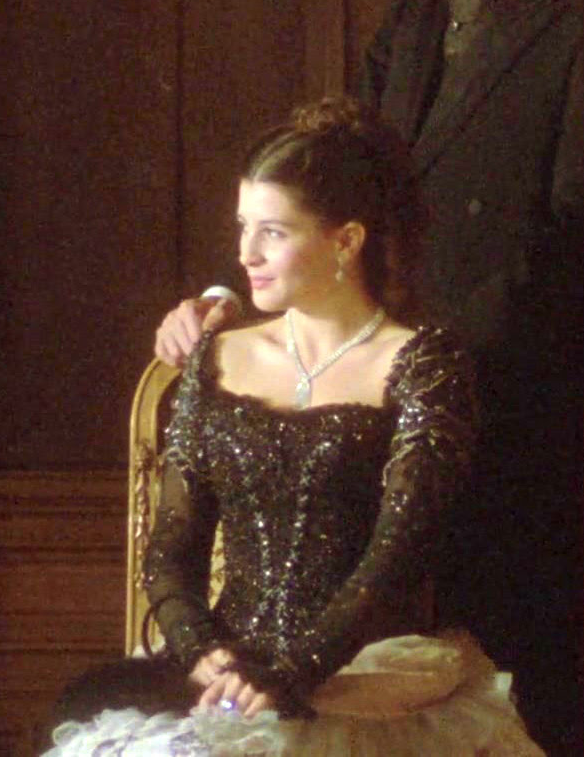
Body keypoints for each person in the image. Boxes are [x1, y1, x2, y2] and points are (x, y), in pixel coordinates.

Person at [42, 98, 544, 756]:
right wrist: (202, 653)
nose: (245, 253)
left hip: (364, 676)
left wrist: (295, 672)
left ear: (346, 241)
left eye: (273, 233)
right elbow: (170, 548)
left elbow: (396, 555)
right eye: (243, 227)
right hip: (224, 671)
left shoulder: (422, 363)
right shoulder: (219, 356)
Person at [155, 0, 584, 754]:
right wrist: (242, 298)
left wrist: (410, 352)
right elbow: (325, 174)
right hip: (377, 353)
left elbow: (568, 238)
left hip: (516, 424)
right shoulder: (419, 9)